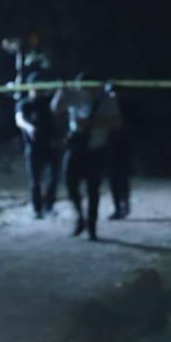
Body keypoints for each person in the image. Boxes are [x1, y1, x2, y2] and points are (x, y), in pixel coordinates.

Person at [52, 73, 121, 240]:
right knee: (70, 183)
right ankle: (79, 217)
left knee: (93, 189)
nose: (82, 89)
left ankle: (92, 226)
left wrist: (91, 123)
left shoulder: (106, 99)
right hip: (76, 146)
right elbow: (55, 109)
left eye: (86, 86)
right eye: (80, 86)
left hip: (96, 148)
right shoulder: (73, 95)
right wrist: (60, 92)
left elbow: (117, 122)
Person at [15, 72, 60, 219]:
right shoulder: (24, 103)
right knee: (35, 181)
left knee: (54, 178)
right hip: (33, 147)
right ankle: (37, 209)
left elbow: (59, 109)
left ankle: (49, 206)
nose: (40, 89)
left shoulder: (49, 101)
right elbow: (19, 120)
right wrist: (29, 127)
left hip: (51, 145)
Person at [104, 81, 132, 220]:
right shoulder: (104, 107)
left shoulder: (126, 107)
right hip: (108, 146)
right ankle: (117, 207)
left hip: (123, 146)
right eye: (110, 92)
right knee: (113, 178)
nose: (113, 95)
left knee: (122, 177)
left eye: (115, 92)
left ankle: (124, 204)